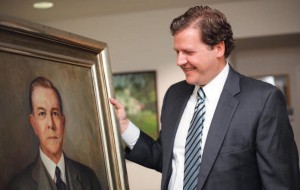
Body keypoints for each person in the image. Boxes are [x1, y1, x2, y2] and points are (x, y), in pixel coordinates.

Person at [110, 5, 300, 190]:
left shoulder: (263, 100)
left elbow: (281, 183)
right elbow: (168, 159)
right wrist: (125, 127)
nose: (179, 61)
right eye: (177, 52)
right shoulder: (174, 95)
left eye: (189, 52)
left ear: (218, 48)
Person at [8, 76, 102, 190]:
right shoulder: (18, 186)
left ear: (63, 122)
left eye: (55, 113)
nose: (51, 124)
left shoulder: (88, 178)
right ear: (33, 123)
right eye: (42, 114)